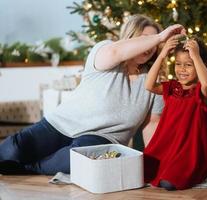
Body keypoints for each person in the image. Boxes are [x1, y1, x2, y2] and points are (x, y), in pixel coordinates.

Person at [0, 15, 186, 175]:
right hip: (60, 123)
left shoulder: (154, 82)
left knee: (76, 157)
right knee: (12, 149)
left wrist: (158, 160)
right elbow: (116, 51)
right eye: (146, 38)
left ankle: (29, 169)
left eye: (155, 41)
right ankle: (18, 162)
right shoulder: (106, 50)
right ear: (131, 37)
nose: (151, 44)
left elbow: (151, 123)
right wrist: (160, 36)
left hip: (103, 137)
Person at [143, 35, 207, 190]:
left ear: (202, 65)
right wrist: (162, 55)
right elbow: (149, 85)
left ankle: (190, 172)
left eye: (189, 64)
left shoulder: (202, 92)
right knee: (139, 171)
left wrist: (195, 55)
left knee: (168, 183)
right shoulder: (172, 87)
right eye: (178, 64)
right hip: (167, 147)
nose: (182, 69)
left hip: (189, 154)